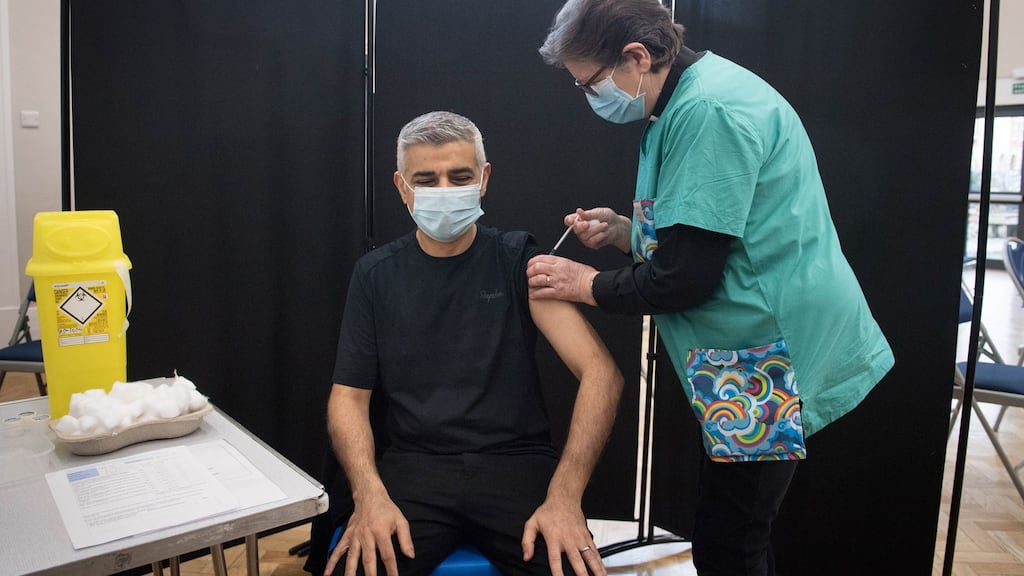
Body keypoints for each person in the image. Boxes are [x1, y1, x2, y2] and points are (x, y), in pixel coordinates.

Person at [527, 1, 895, 574]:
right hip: (747, 343)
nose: (589, 97)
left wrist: (585, 283)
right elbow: (707, 228)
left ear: (636, 57)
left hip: (766, 350)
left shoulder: (709, 111)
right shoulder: (682, 98)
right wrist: (627, 233)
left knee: (731, 541)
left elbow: (683, 280)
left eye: (590, 84)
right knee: (737, 526)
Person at [325, 110, 624, 576]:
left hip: (516, 466)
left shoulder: (519, 263)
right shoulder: (376, 275)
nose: (444, 190)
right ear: (402, 187)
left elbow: (601, 372)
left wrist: (565, 497)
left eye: (459, 176)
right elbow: (348, 396)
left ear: (483, 179)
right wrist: (368, 495)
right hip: (415, 468)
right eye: (426, 179)